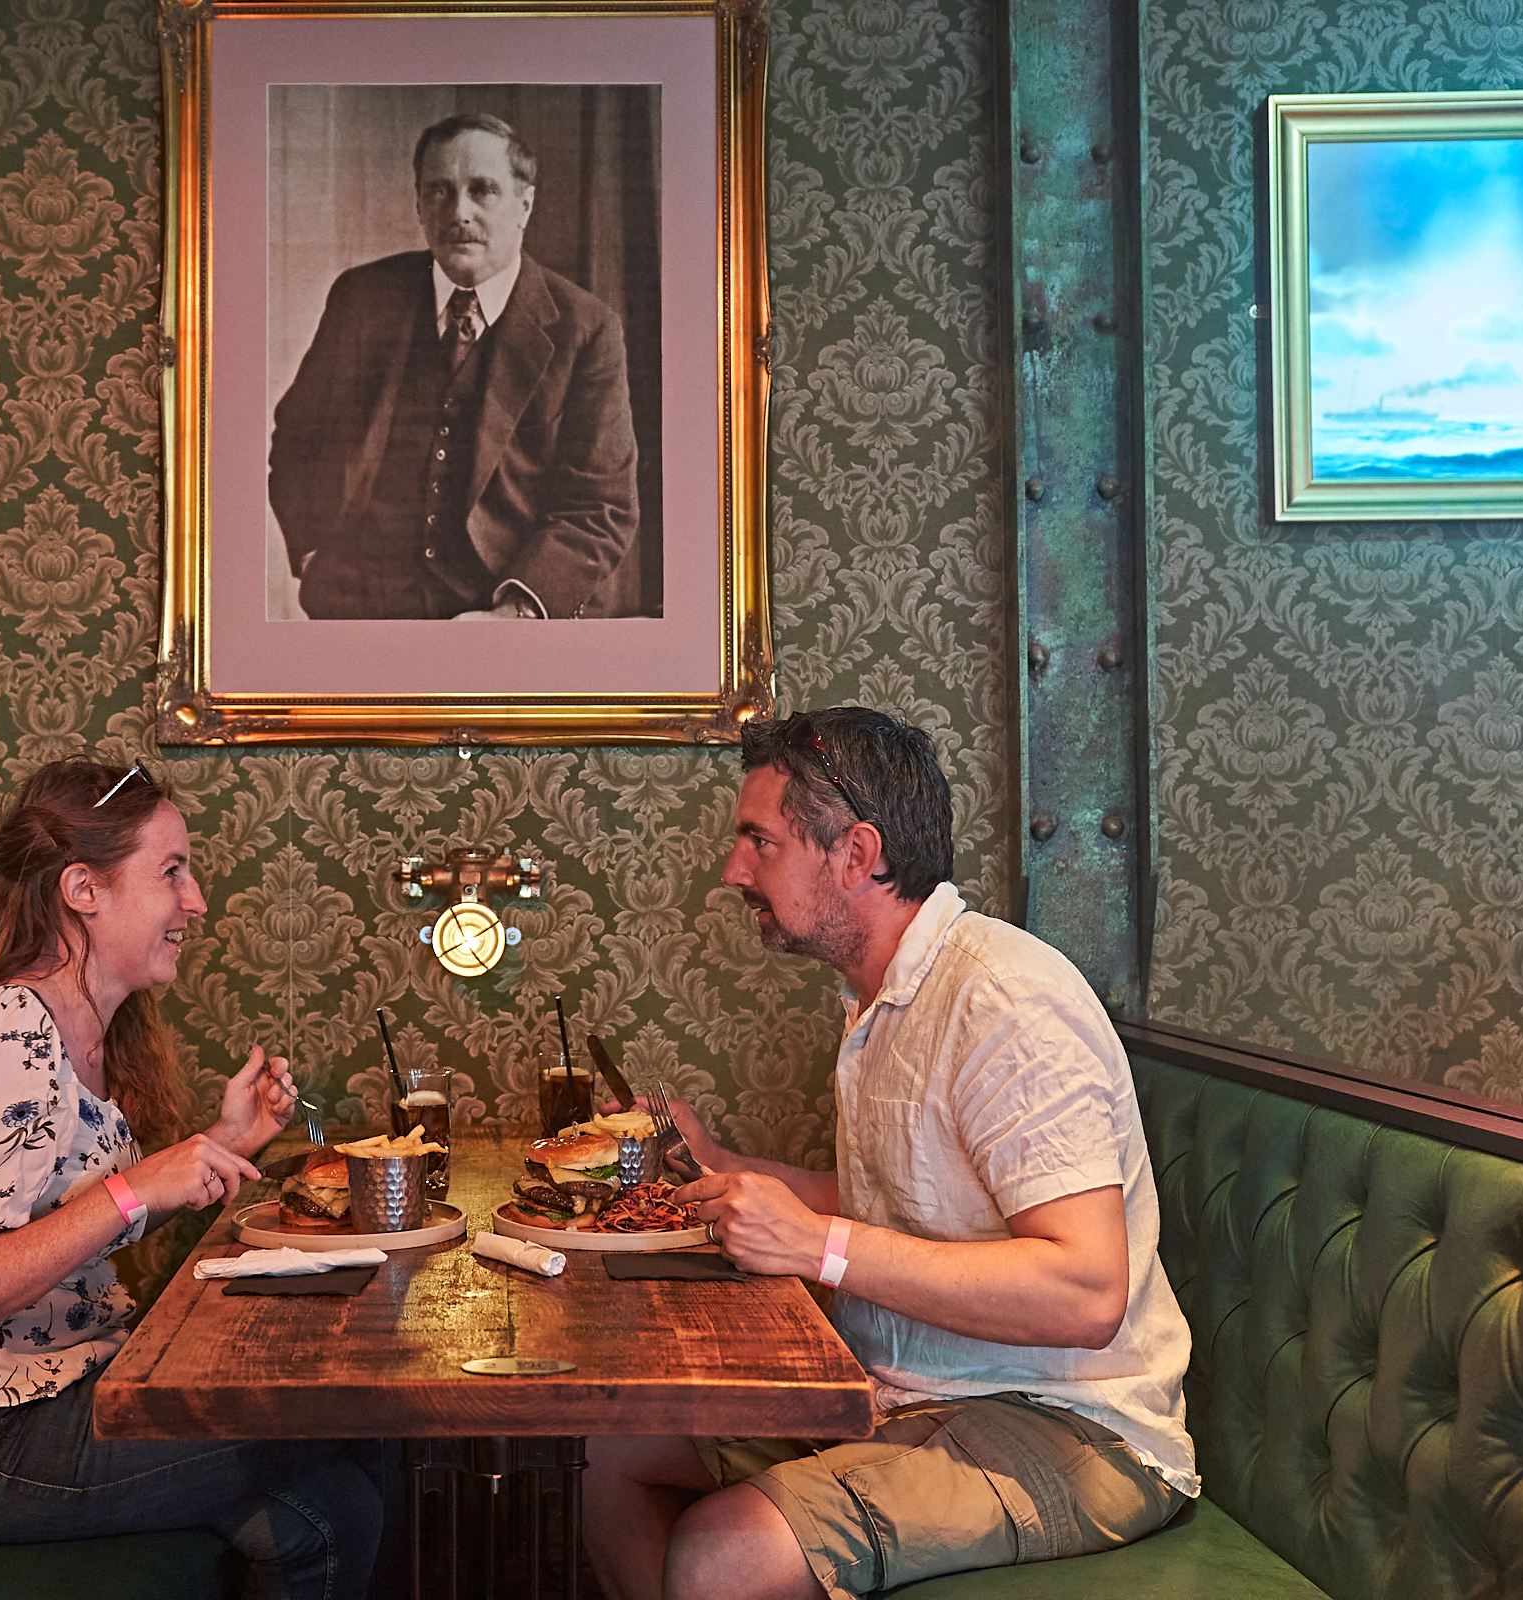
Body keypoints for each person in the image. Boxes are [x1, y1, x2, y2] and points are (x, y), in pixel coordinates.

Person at [585, 709, 1196, 1600]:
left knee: (723, 1552)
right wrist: (718, 1160)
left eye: (760, 842)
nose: (733, 871)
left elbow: (1087, 1291)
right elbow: (899, 1207)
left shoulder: (1002, 999)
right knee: (603, 1452)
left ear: (858, 854)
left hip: (1069, 1424)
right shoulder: (882, 1000)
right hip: (897, 1396)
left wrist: (815, 1247)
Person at [0, 757, 391, 1597]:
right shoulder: (7, 1029)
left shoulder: (91, 1029)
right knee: (351, 1404)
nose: (196, 900)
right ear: (83, 889)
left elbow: (67, 1225)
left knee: (335, 1505)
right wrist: (140, 1186)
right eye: (171, 871)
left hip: (52, 1389)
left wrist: (222, 1141)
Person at [269, 110, 641, 621]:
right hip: (360, 610)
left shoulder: (586, 329)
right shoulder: (362, 299)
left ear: (524, 205)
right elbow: (298, 437)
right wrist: (314, 554)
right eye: (439, 191)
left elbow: (600, 505)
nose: (458, 211)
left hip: (503, 615)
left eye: (482, 190)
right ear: (419, 205)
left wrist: (515, 613)